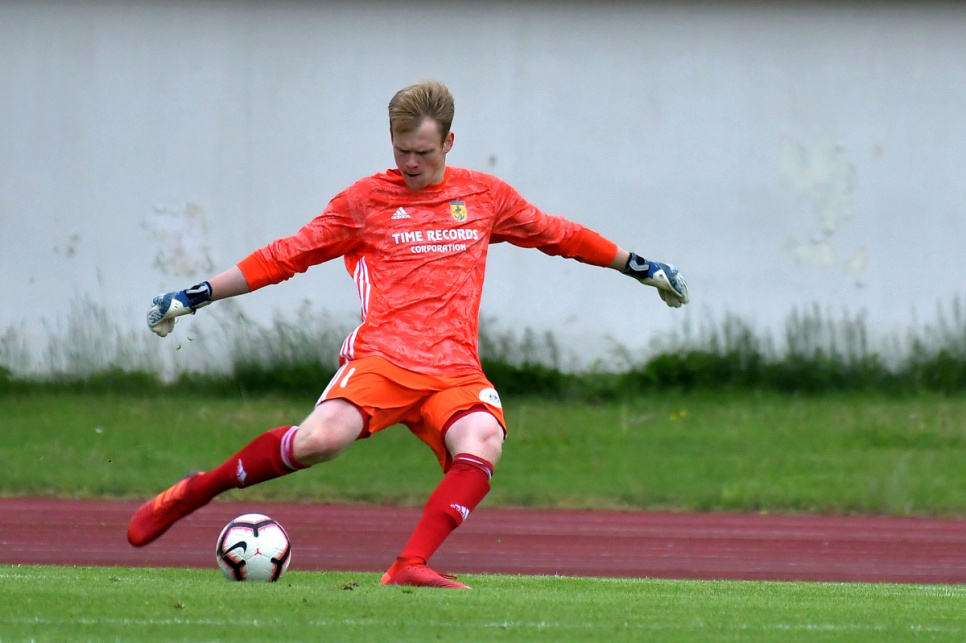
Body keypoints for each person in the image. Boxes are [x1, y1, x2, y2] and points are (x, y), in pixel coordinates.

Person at [127, 80, 689, 589]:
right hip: (384, 359)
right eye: (401, 151)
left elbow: (559, 235)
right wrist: (195, 295)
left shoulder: (486, 197)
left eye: (423, 151)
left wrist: (640, 267)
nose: (411, 163)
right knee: (320, 441)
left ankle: (408, 565)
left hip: (455, 369)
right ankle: (199, 489)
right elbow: (285, 256)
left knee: (483, 439)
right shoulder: (365, 202)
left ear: (449, 142)